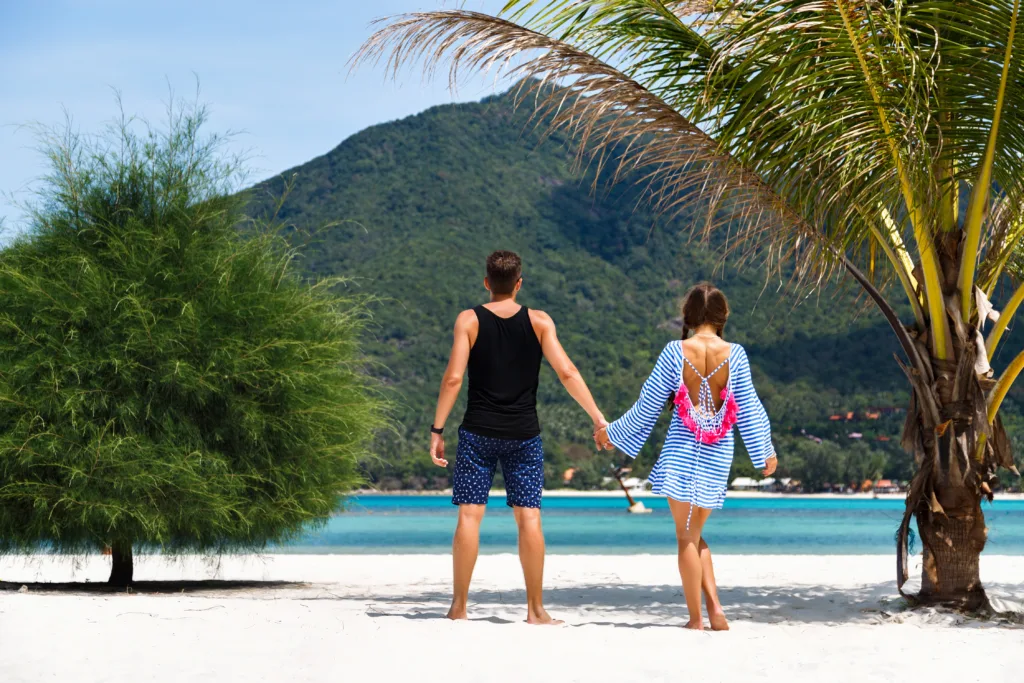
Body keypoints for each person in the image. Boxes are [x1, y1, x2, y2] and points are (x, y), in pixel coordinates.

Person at [429, 250, 607, 625]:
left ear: (487, 282)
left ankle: (459, 607)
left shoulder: (469, 320)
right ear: (519, 283)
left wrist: (437, 429)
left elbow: (453, 379)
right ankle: (536, 610)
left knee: (469, 515)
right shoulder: (540, 322)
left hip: (477, 433)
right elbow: (568, 372)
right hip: (524, 435)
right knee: (529, 518)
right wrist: (597, 417)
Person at [595, 283, 778, 631]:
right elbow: (751, 409)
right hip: (716, 455)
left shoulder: (674, 351)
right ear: (722, 315)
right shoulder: (735, 354)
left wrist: (611, 433)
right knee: (695, 535)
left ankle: (696, 620)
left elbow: (646, 407)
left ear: (689, 315)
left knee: (686, 538)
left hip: (682, 451)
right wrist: (764, 451)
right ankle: (715, 608)